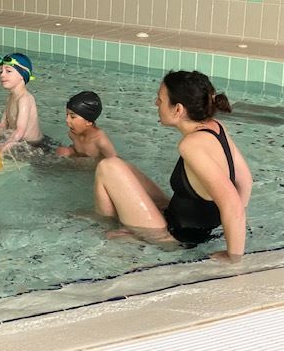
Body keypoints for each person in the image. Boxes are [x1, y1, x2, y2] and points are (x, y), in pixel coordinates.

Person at [93, 71, 252, 262]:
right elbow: (245, 180)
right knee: (119, 165)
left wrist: (234, 256)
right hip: (183, 222)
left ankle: (106, 226)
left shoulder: (191, 145)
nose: (156, 103)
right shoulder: (216, 127)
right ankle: (117, 223)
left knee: (108, 167)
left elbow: (232, 204)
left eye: (160, 100)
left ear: (178, 109)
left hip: (174, 238)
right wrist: (229, 226)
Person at [0, 53, 43, 153]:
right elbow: (3, 125)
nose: (2, 75)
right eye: (1, 71)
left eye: (8, 71)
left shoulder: (24, 99)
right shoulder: (10, 97)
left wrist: (1, 150)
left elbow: (20, 131)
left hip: (34, 146)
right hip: (19, 141)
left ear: (22, 75)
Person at [56, 91, 116, 160]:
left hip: (94, 164)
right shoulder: (73, 134)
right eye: (67, 115)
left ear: (88, 121)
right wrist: (71, 151)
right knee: (62, 151)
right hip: (81, 159)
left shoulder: (101, 141)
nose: (67, 120)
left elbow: (116, 161)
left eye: (72, 117)